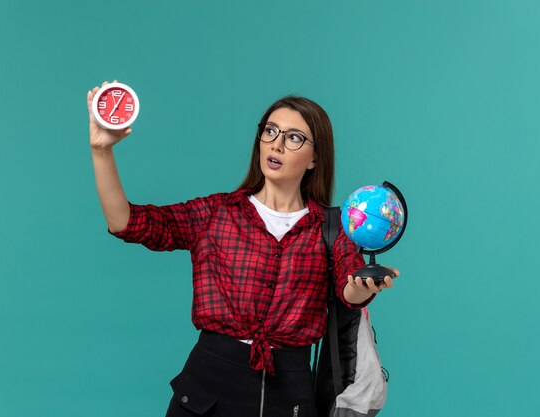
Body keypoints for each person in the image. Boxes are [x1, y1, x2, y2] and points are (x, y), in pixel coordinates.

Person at [86, 81, 398, 417]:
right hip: (208, 388)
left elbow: (348, 288)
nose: (276, 144)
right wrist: (101, 151)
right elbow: (128, 223)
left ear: (314, 158)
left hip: (290, 395)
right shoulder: (216, 213)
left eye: (294, 137)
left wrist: (362, 285)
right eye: (270, 131)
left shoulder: (332, 229)